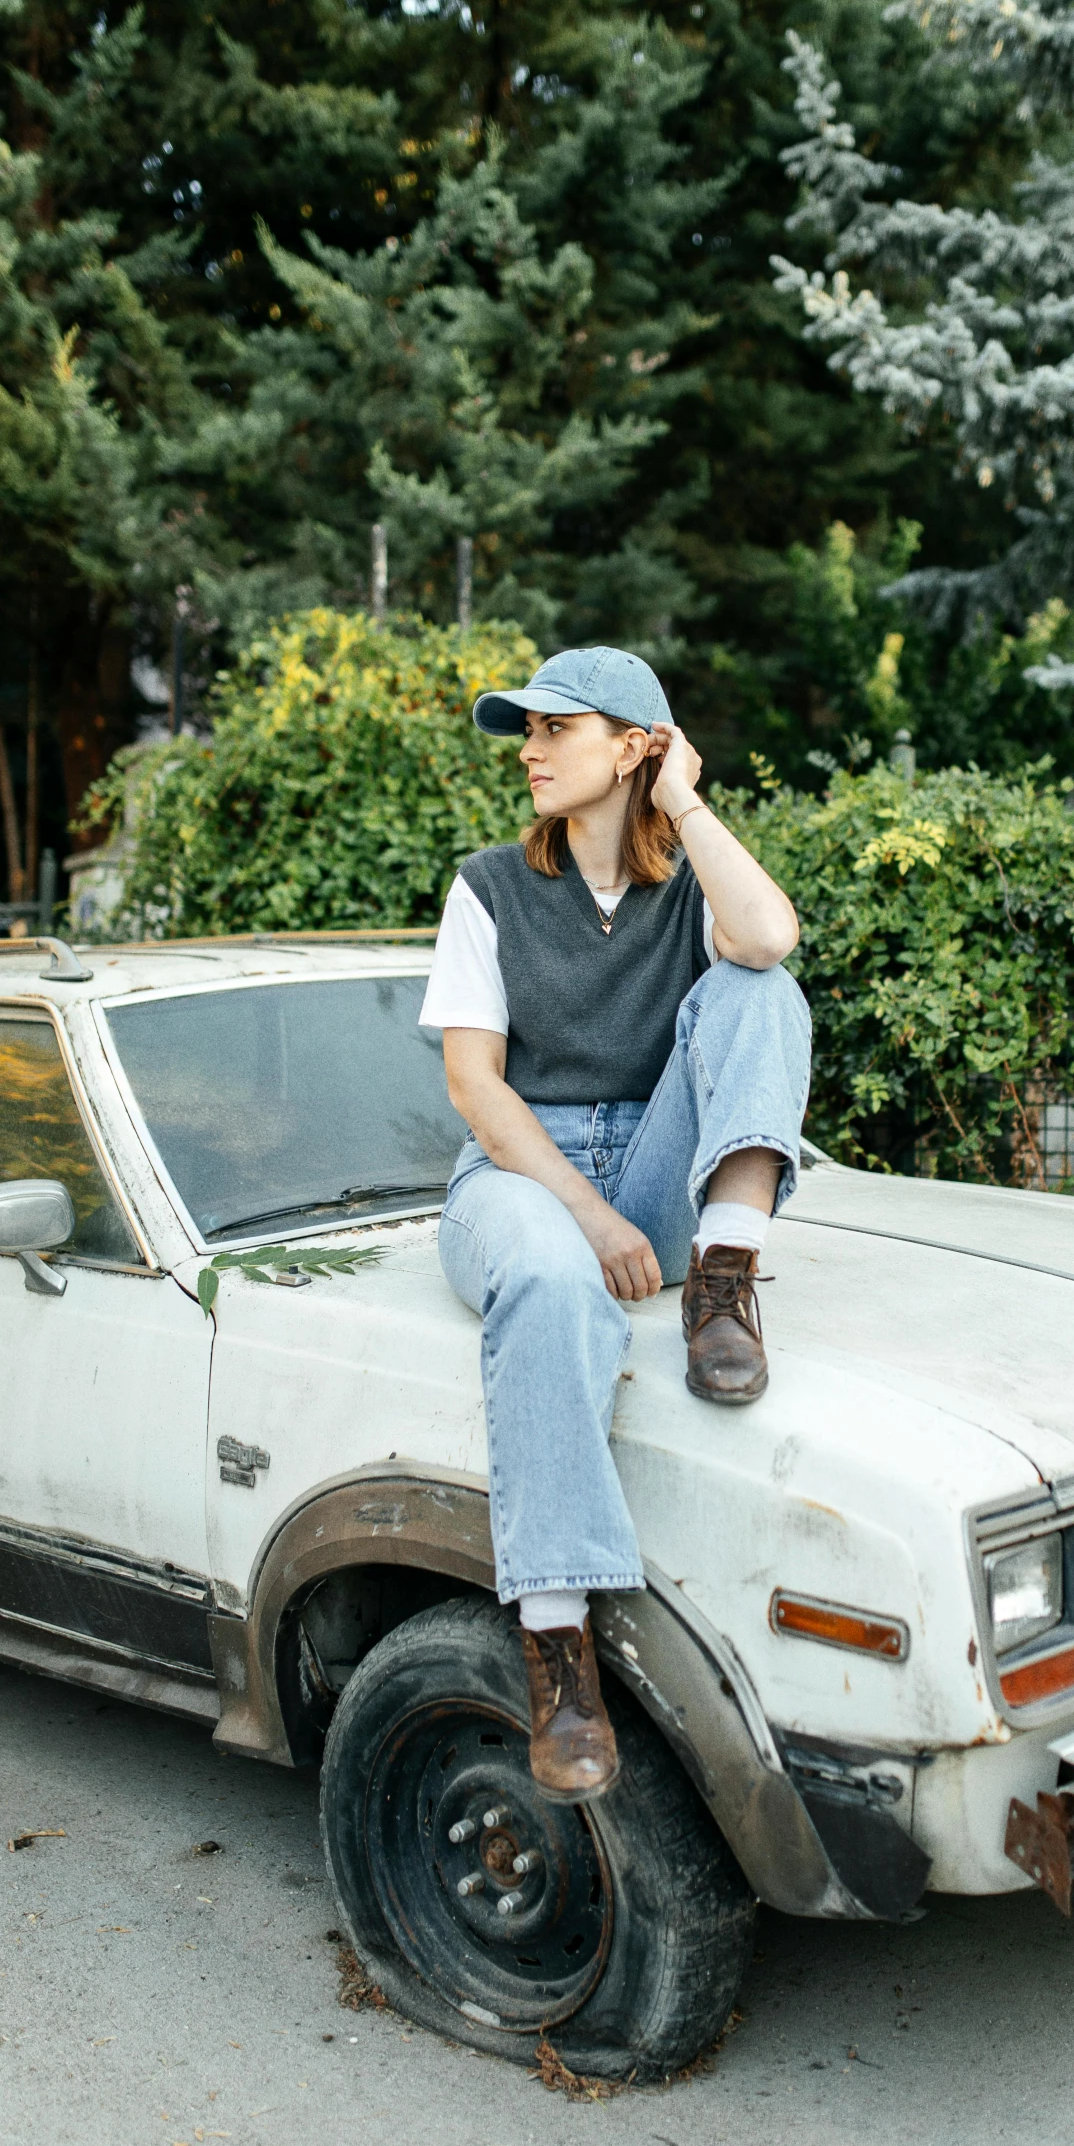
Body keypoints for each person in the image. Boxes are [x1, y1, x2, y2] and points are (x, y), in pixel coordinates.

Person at [421, 644, 811, 1803]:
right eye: (524, 730)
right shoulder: (487, 885)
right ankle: (558, 1644)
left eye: (557, 727)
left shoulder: (689, 880)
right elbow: (477, 1092)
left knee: (760, 987)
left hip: (655, 1165)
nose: (529, 749)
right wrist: (586, 1216)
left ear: (635, 745)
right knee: (544, 1277)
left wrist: (684, 799)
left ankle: (724, 1280)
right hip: (518, 1173)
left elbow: (772, 937)